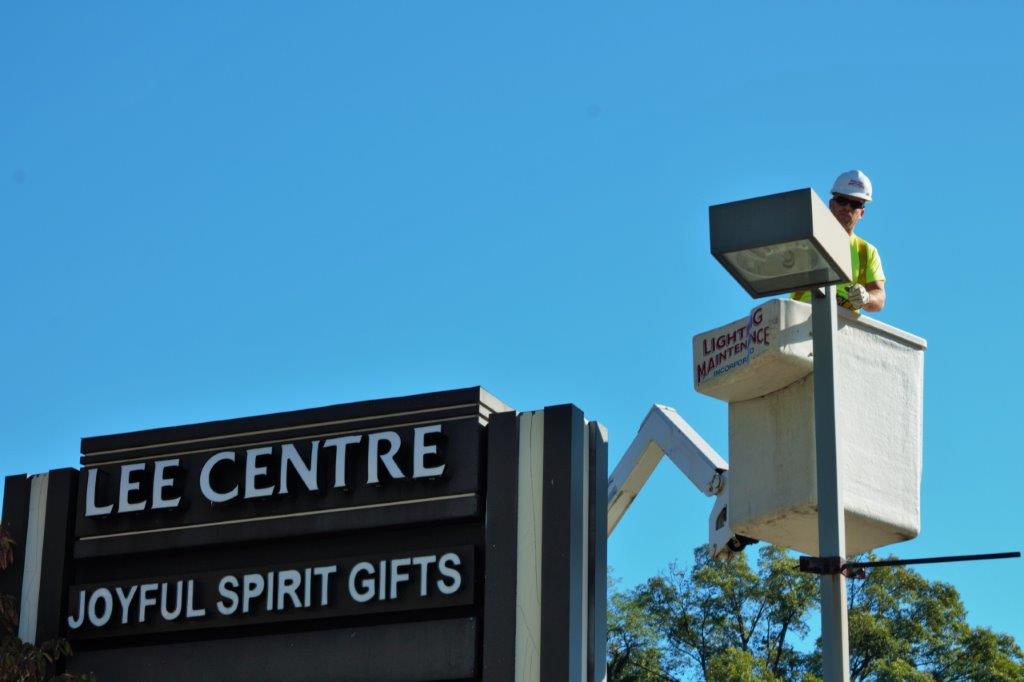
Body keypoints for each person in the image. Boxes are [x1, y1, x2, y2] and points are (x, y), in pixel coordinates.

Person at [792, 170, 885, 313]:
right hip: (803, 316)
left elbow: (879, 297)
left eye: (854, 204)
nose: (847, 207)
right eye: (842, 200)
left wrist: (866, 297)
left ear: (862, 213)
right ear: (831, 204)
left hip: (846, 329)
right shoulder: (809, 239)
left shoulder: (867, 252)